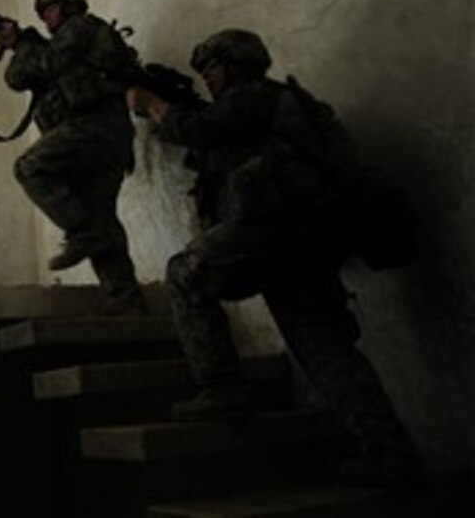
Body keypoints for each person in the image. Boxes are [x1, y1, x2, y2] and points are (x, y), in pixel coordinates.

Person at [127, 28, 421, 486]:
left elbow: (198, 130)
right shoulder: (283, 105)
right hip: (308, 240)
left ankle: (223, 389)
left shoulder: (256, 97)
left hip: (276, 231)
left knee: (185, 273)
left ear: (240, 63)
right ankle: (391, 457)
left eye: (214, 67)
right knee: (327, 350)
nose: (208, 78)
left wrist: (153, 104)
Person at [0, 0, 145, 316]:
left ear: (66, 6)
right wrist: (18, 43)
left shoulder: (81, 28)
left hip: (93, 127)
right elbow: (19, 78)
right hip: (107, 136)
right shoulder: (74, 38)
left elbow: (44, 65)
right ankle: (125, 300)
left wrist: (21, 40)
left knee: (29, 167)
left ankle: (82, 233)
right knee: (101, 219)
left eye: (49, 9)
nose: (45, 18)